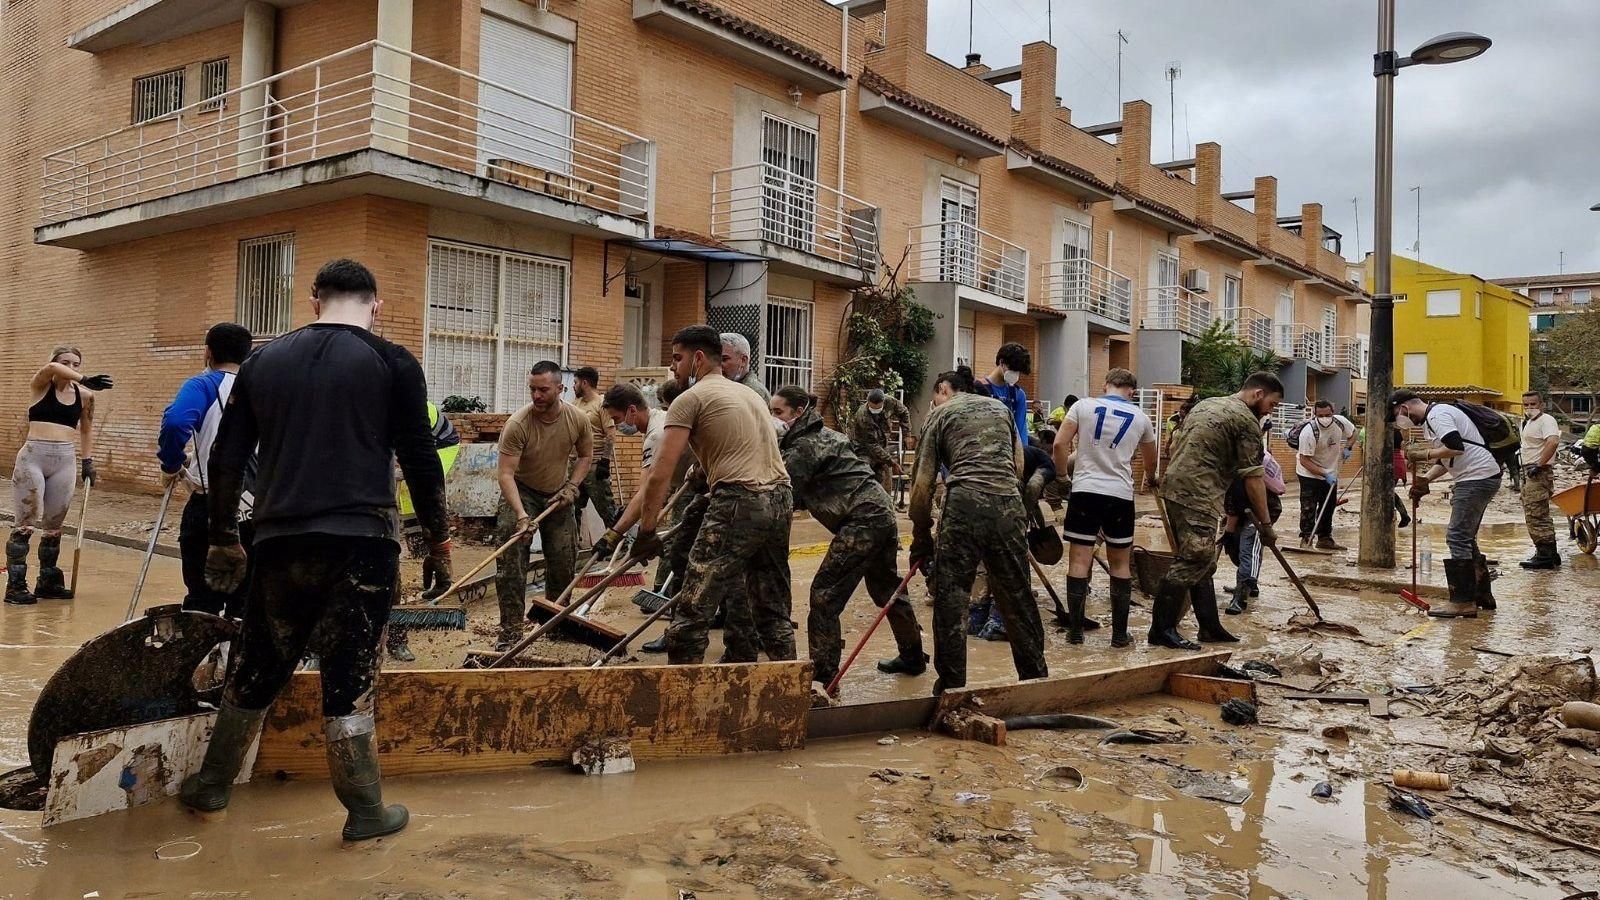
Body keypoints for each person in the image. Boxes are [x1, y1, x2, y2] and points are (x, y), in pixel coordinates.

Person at [181, 258, 451, 842]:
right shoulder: (393, 361)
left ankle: (212, 786)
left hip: (279, 540)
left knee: (260, 662)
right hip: (362, 543)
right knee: (349, 672)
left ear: (314, 301)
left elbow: (227, 457)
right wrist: (438, 539)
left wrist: (224, 536)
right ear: (375, 305)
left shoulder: (262, 360)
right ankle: (364, 810)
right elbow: (421, 457)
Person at [615, 325, 794, 665]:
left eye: (677, 358)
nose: (672, 367)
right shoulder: (751, 395)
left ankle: (682, 702)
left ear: (697, 359)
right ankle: (793, 692)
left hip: (739, 500)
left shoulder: (689, 400)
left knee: (693, 608)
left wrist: (647, 532)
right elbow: (733, 448)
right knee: (771, 608)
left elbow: (659, 476)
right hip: (780, 499)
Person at [768, 386, 927, 687]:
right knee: (886, 589)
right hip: (880, 512)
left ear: (798, 413)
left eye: (778, 412)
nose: (773, 418)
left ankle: (824, 678)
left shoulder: (803, 448)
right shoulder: (828, 435)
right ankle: (913, 656)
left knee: (824, 595)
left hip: (861, 520)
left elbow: (784, 496)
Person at [908, 369, 1048, 693]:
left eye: (934, 396)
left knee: (952, 598)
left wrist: (921, 536)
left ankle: (952, 688)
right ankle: (1037, 682)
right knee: (1017, 596)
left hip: (964, 504)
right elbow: (1017, 466)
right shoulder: (1001, 410)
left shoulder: (940, 414)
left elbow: (922, 486)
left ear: (943, 389)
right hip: (1007, 503)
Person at [1153, 373, 1283, 649]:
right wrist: (1267, 524)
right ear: (1258, 394)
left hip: (1176, 486)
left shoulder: (1208, 404)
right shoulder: (1246, 421)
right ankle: (1161, 630)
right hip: (1198, 493)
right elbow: (1253, 477)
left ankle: (1209, 626)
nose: (1270, 412)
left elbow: (1177, 444)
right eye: (1271, 405)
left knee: (1204, 561)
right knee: (1194, 559)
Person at [1053, 368, 1159, 647]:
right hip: (1120, 495)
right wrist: (1152, 478)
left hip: (1085, 490)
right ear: (1132, 392)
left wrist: (1063, 476)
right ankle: (1119, 635)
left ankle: (1075, 632)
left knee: (1078, 560)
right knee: (1121, 563)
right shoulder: (1142, 418)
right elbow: (1151, 460)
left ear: (1105, 385)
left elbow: (1060, 444)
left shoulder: (1082, 406)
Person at [156, 323, 256, 619]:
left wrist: (171, 463)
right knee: (247, 599)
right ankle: (235, 661)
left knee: (203, 599)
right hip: (258, 509)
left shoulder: (204, 385)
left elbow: (176, 424)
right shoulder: (265, 387)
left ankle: (202, 660)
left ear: (208, 353)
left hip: (211, 506)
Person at [493, 360, 592, 650]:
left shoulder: (577, 419)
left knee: (563, 561)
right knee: (511, 563)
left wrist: (572, 486)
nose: (536, 396)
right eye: (532, 389)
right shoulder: (518, 424)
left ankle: (556, 624)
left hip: (558, 495)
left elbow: (585, 456)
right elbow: (506, 474)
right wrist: (522, 515)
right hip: (520, 493)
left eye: (543, 390)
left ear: (560, 389)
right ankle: (510, 632)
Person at [6, 346, 112, 605]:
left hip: (65, 460)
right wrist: (84, 377)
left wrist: (88, 462)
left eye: (77, 364)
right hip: (33, 456)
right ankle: (15, 586)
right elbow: (52, 369)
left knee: (54, 525)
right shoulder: (41, 385)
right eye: (67, 362)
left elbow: (86, 430)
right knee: (26, 521)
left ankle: (48, 581)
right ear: (56, 362)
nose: (72, 368)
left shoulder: (85, 396)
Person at [1392, 390, 1501, 618]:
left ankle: (1462, 602)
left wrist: (1424, 454)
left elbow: (1456, 447)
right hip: (1476, 476)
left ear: (1404, 407)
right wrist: (1425, 480)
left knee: (1457, 536)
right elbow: (1447, 459)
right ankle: (1481, 594)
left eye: (1396, 413)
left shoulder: (1438, 415)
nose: (1400, 420)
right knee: (1466, 538)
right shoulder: (1430, 422)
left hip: (1476, 477)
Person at [388, 399, 462, 662]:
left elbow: (422, 469)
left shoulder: (413, 406)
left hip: (441, 447)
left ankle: (396, 639)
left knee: (417, 485)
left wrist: (440, 545)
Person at [1222, 418, 1286, 615]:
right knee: (1235, 548)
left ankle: (1240, 597)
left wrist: (1265, 525)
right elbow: (1230, 504)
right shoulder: (1227, 463)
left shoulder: (1248, 465)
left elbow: (1235, 501)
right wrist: (1228, 530)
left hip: (1262, 511)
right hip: (1241, 510)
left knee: (1249, 548)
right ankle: (1250, 583)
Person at [1292, 399, 1357, 550]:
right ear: (1315, 414)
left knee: (1328, 505)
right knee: (1309, 507)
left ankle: (1325, 538)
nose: (1325, 418)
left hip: (1331, 471)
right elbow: (1304, 460)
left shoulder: (1340, 422)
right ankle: (1306, 539)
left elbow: (1353, 433)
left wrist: (1348, 447)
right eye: (1321, 415)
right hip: (1308, 473)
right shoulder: (1308, 432)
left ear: (1332, 413)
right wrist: (1324, 474)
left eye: (1327, 414)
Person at [1517, 392, 1562, 570]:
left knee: (1537, 513)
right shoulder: (1528, 423)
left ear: (1541, 404)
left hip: (1538, 471)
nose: (1529, 408)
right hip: (1528, 470)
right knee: (1532, 511)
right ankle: (1549, 553)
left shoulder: (1547, 420)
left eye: (1533, 404)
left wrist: (1539, 464)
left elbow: (1552, 442)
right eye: (1526, 405)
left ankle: (1545, 555)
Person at [570, 366, 618, 528]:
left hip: (595, 465)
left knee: (606, 510)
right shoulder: (575, 404)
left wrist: (605, 461)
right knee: (571, 509)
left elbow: (611, 435)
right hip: (575, 465)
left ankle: (618, 545)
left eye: (575, 382)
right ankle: (572, 548)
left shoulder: (601, 404)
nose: (573, 386)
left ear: (584, 383)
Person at [848, 388, 911, 494]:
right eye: (873, 409)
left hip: (882, 445)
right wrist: (892, 462)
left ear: (883, 402)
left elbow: (904, 412)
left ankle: (885, 503)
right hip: (864, 448)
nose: (875, 411)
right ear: (868, 402)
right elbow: (872, 445)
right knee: (863, 473)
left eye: (878, 409)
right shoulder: (862, 416)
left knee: (886, 474)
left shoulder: (890, 402)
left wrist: (906, 434)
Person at [976, 342, 1032, 447]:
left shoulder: (1018, 394)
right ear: (1002, 362)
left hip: (1007, 451)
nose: (1015, 374)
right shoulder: (977, 389)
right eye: (1013, 370)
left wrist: (1023, 455)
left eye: (1018, 371)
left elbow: (1021, 430)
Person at [719, 332, 770, 403]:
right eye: (715, 359)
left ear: (743, 360)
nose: (718, 364)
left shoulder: (754, 392)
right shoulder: (721, 385)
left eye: (724, 359)